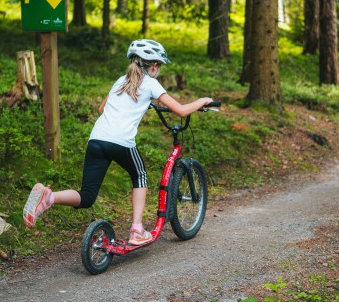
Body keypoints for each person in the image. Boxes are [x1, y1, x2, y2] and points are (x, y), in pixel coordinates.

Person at [23, 39, 213, 245]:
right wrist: (203, 101)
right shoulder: (151, 84)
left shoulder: (120, 81)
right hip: (121, 141)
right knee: (140, 175)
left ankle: (49, 197)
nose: (158, 69)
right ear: (154, 65)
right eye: (158, 65)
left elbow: (101, 110)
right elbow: (182, 111)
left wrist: (135, 104)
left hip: (97, 139)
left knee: (87, 195)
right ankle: (137, 230)